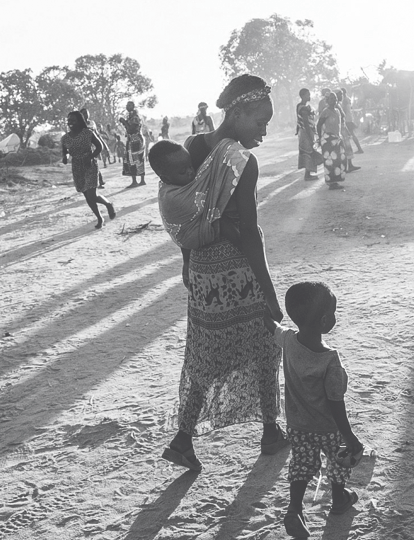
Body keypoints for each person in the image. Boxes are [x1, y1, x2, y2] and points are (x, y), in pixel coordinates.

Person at [159, 74, 286, 472]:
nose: (264, 130)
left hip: (202, 268)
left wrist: (186, 262)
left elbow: (185, 210)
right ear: (238, 112)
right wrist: (269, 294)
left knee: (204, 352)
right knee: (265, 343)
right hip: (237, 270)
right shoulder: (242, 161)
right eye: (260, 120)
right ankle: (270, 431)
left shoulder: (195, 146)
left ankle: (183, 439)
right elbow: (248, 232)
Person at [263, 282, 363, 538]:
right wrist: (349, 437)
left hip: (297, 426)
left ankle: (295, 509)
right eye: (333, 312)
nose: (335, 317)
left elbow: (272, 326)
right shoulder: (329, 358)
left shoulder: (288, 340)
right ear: (323, 320)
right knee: (339, 460)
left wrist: (264, 312)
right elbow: (335, 401)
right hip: (328, 427)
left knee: (302, 464)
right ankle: (339, 499)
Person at [150, 139, 241, 248]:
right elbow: (208, 196)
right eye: (183, 171)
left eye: (190, 166)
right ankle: (242, 246)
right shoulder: (172, 197)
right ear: (166, 179)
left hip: (188, 231)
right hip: (190, 237)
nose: (190, 172)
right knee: (221, 221)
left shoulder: (176, 182)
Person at [61, 110, 116, 229]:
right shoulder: (65, 138)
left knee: (92, 195)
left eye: (73, 120)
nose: (70, 122)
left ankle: (108, 204)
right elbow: (65, 152)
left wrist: (90, 157)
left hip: (89, 165)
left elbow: (99, 147)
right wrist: (65, 158)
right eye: (68, 120)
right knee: (87, 196)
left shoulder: (88, 133)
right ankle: (99, 218)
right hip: (76, 167)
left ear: (79, 121)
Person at [317, 91, 347, 189]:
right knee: (330, 161)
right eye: (331, 99)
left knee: (338, 160)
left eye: (334, 99)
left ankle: (335, 181)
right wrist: (320, 137)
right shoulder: (325, 111)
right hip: (328, 139)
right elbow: (319, 124)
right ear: (327, 100)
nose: (333, 100)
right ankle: (331, 183)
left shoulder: (337, 111)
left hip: (337, 138)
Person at [119, 101, 147, 187]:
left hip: (135, 140)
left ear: (133, 106)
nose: (127, 106)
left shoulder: (135, 117)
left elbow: (131, 129)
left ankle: (136, 181)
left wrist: (124, 122)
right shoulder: (132, 116)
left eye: (129, 105)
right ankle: (140, 180)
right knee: (137, 159)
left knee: (134, 159)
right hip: (134, 139)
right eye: (127, 105)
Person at [295, 88, 320, 181]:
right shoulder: (304, 108)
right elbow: (305, 122)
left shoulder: (300, 106)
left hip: (303, 131)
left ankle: (308, 173)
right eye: (307, 95)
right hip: (306, 132)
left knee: (307, 152)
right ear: (302, 96)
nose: (309, 96)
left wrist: (298, 130)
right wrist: (310, 135)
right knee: (309, 152)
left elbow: (299, 120)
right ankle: (307, 175)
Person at [335, 89, 361, 173]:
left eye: (341, 94)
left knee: (347, 147)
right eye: (339, 95)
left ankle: (349, 165)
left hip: (344, 127)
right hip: (341, 129)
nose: (341, 96)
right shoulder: (336, 106)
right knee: (344, 148)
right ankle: (347, 166)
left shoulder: (339, 104)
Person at [80, 107, 110, 176]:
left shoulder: (92, 123)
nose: (86, 114)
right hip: (84, 149)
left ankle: (98, 179)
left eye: (87, 113)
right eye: (83, 113)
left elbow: (98, 135)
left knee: (94, 162)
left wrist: (105, 147)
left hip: (94, 147)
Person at [339, 87, 364, 154]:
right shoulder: (348, 99)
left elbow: (344, 110)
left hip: (347, 120)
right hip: (349, 119)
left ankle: (354, 150)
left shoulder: (345, 100)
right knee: (351, 135)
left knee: (349, 135)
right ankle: (358, 149)